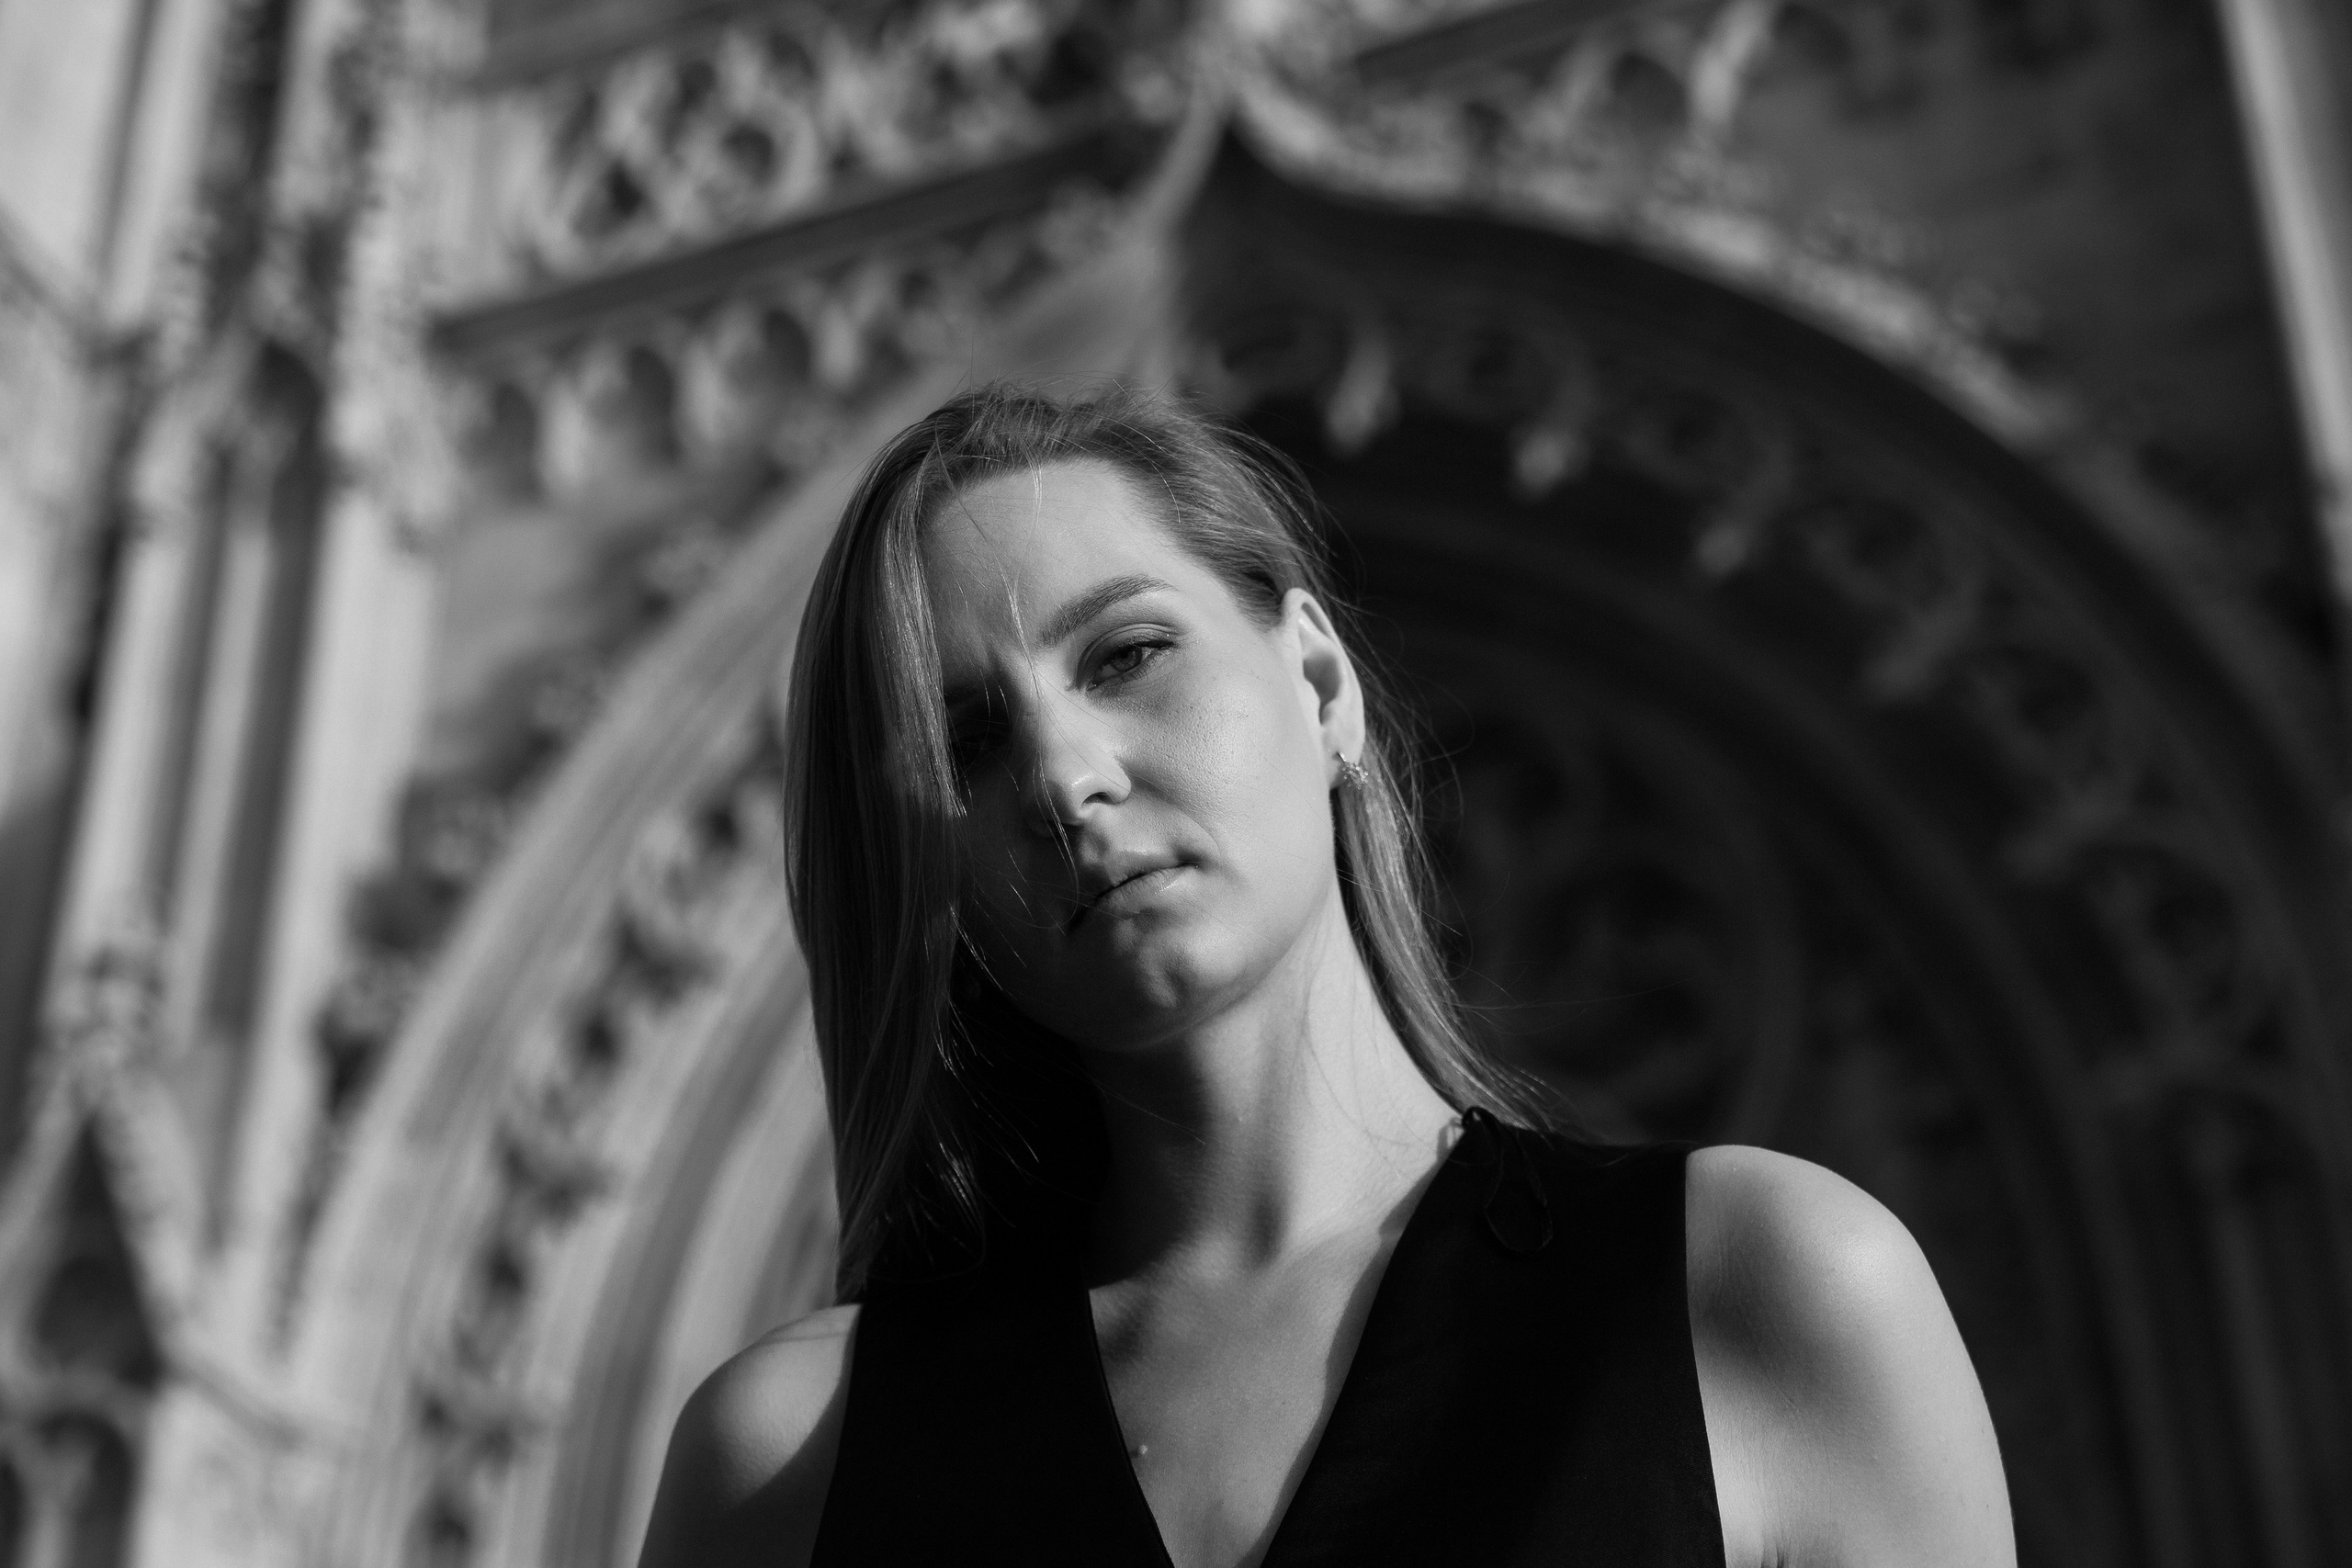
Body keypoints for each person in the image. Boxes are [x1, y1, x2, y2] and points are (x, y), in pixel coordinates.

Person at [635, 385, 2014, 1568]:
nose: (1062, 774)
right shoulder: (789, 1468)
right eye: (967, 744)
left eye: (1128, 655)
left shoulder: (1764, 1289)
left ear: (1320, 681)